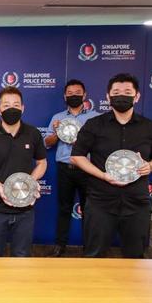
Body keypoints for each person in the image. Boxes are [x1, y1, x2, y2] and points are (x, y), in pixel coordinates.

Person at [70, 73, 152, 258]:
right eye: (116, 92)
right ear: (108, 97)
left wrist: (150, 166)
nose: (121, 96)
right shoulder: (94, 125)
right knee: (94, 255)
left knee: (135, 256)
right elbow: (77, 156)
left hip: (136, 202)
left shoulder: (151, 127)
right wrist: (102, 175)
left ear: (136, 96)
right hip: (100, 201)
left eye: (127, 92)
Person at [0, 86, 47, 257]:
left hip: (25, 210)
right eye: (6, 105)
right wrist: (0, 186)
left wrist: (30, 181)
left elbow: (42, 163)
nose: (11, 108)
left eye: (16, 105)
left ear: (23, 108)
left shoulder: (33, 133)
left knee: (22, 256)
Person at [44, 79, 99, 257]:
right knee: (64, 209)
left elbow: (100, 145)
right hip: (64, 169)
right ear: (64, 96)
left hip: (87, 169)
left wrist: (82, 140)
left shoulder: (94, 118)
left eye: (77, 92)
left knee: (89, 210)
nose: (74, 95)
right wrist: (57, 133)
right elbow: (47, 143)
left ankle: (89, 247)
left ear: (84, 95)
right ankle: (60, 246)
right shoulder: (57, 117)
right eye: (70, 93)